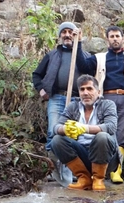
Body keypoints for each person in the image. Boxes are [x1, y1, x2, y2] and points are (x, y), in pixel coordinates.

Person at [75, 26, 124, 184]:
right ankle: (100, 170)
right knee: (104, 132)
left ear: (123, 38)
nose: (115, 39)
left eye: (118, 36)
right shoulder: (99, 57)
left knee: (123, 134)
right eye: (112, 36)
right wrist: (79, 43)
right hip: (105, 97)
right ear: (107, 39)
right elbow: (83, 67)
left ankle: (117, 170)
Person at [32, 22, 90, 185]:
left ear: (76, 35)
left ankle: (74, 170)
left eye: (70, 32)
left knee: (75, 134)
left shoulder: (83, 55)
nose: (67, 35)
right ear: (60, 36)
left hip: (78, 100)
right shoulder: (52, 55)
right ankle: (54, 168)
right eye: (63, 32)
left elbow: (91, 73)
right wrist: (41, 90)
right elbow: (37, 75)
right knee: (53, 132)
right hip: (57, 98)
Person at [50, 74, 119, 191]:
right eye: (82, 89)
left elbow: (111, 127)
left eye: (89, 88)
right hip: (81, 156)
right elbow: (56, 127)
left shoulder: (107, 104)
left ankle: (98, 179)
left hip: (106, 157)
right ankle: (84, 178)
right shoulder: (73, 107)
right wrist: (64, 129)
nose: (85, 93)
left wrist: (84, 128)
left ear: (98, 91)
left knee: (102, 136)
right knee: (56, 140)